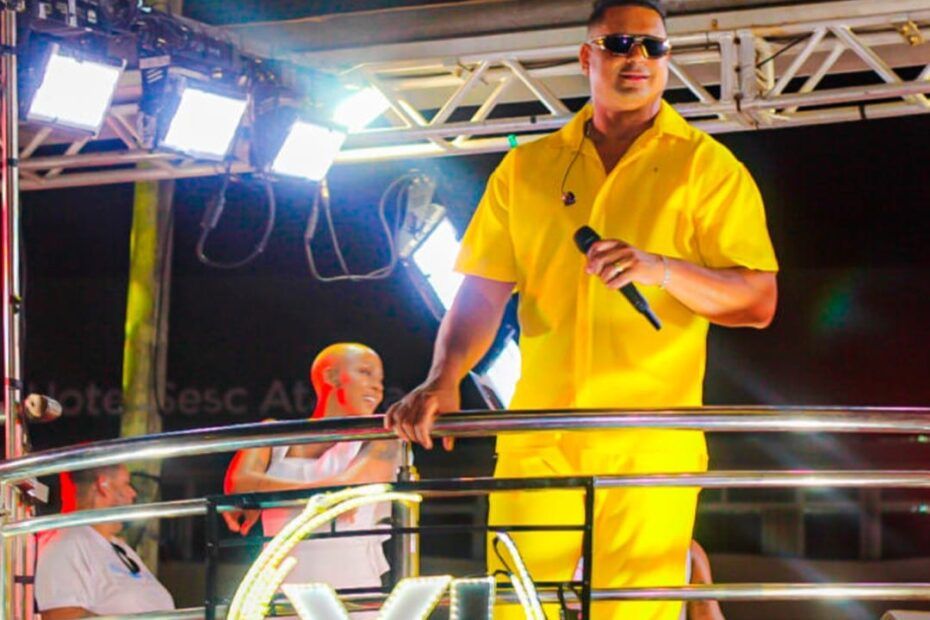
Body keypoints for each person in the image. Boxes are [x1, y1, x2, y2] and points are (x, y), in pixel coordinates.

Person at [385, 0, 778, 618]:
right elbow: (481, 292)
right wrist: (444, 376)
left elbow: (758, 301)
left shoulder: (707, 167)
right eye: (620, 44)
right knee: (516, 608)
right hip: (538, 434)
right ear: (586, 56)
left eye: (654, 46)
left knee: (634, 614)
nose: (638, 58)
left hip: (652, 442)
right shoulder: (526, 168)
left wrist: (661, 268)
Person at [224, 342, 400, 598]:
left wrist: (266, 496)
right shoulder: (272, 431)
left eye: (380, 380)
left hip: (350, 589)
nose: (377, 387)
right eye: (365, 372)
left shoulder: (382, 437)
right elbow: (239, 485)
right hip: (281, 588)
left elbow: (345, 493)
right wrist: (324, 495)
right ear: (330, 376)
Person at [35, 464, 175, 618]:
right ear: (103, 485)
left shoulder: (120, 548)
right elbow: (61, 615)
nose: (133, 493)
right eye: (126, 484)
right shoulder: (68, 543)